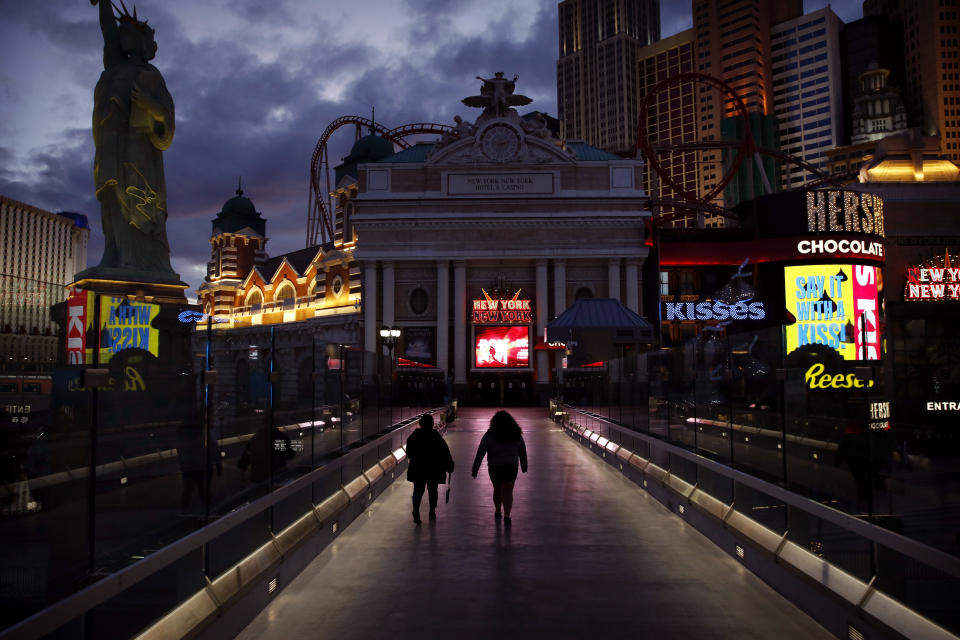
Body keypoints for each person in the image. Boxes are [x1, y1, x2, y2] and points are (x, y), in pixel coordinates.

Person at [89, 0, 178, 277]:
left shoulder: (151, 76)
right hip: (110, 147)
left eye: (128, 35)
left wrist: (153, 108)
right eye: (121, 35)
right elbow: (107, 28)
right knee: (111, 201)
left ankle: (137, 260)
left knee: (136, 203)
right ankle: (113, 253)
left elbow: (167, 119)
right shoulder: (115, 65)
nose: (121, 39)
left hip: (140, 151)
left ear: (140, 41)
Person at [471, 410, 528, 525]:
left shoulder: (489, 435)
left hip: (495, 467)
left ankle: (498, 510)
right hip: (511, 467)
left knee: (497, 489)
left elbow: (480, 452)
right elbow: (522, 451)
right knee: (508, 491)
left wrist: (475, 468)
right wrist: (524, 465)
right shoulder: (516, 434)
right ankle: (507, 515)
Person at [405, 414, 454, 524]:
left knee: (418, 491)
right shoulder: (435, 436)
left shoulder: (415, 435)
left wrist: (416, 458)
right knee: (433, 491)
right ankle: (432, 511)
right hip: (433, 469)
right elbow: (445, 452)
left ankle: (416, 511)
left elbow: (409, 452)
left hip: (418, 469)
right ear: (432, 424)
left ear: (421, 423)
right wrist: (449, 465)